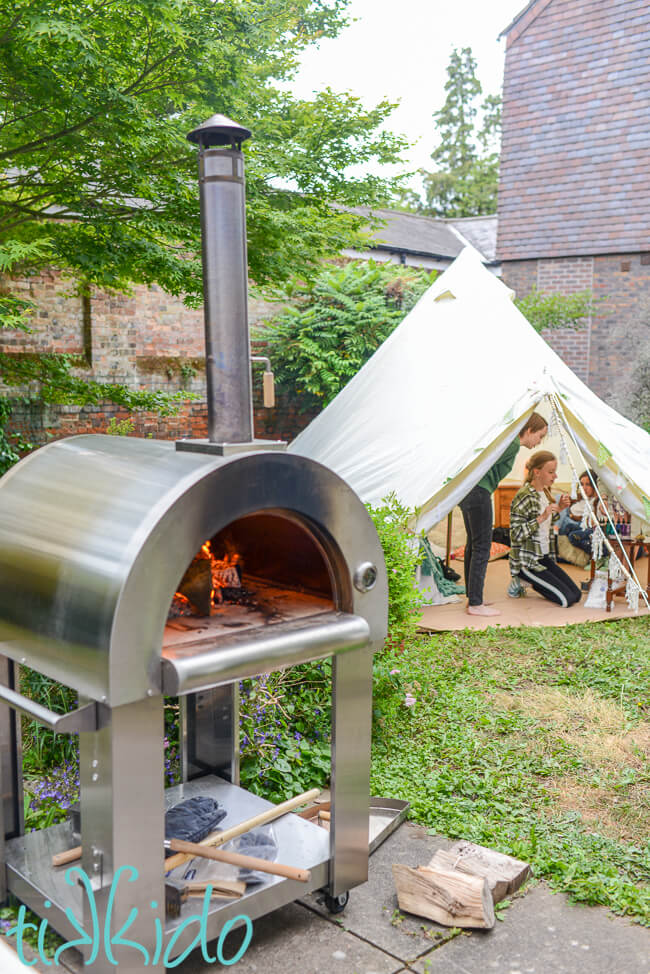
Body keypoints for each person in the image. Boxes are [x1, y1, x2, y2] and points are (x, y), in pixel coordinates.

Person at [459, 412, 548, 617]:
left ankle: (473, 598)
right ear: (528, 430)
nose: (539, 441)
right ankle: (475, 603)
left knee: (474, 544)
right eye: (539, 436)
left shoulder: (507, 442)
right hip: (478, 493)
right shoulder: (512, 444)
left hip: (469, 492)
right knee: (482, 546)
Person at [509, 451, 581, 607]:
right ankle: (521, 579)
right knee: (566, 600)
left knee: (577, 595)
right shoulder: (524, 496)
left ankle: (535, 581)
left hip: (544, 556)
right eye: (551, 472)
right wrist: (541, 517)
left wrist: (560, 508)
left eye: (555, 472)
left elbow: (547, 523)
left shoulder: (546, 493)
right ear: (536, 472)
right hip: (528, 560)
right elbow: (515, 534)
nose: (555, 476)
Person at [558, 469, 604, 555]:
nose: (584, 488)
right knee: (559, 498)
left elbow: (590, 521)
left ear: (595, 485)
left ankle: (556, 531)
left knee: (570, 530)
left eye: (588, 484)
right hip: (569, 518)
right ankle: (556, 529)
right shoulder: (579, 497)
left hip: (581, 524)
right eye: (582, 484)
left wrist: (572, 516)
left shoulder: (597, 501)